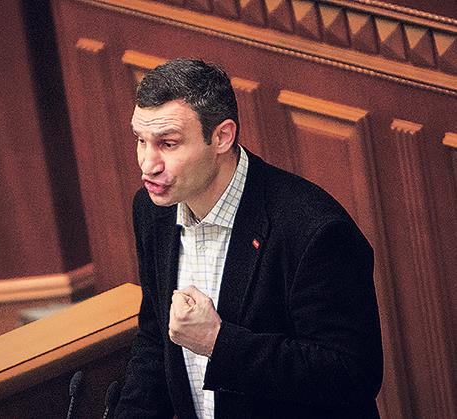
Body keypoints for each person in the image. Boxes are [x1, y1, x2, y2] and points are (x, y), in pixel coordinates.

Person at [114, 58, 383, 419]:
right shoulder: (153, 210)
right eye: (141, 140)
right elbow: (155, 339)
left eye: (168, 143)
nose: (148, 164)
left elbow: (351, 375)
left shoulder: (314, 231)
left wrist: (218, 343)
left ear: (222, 137)